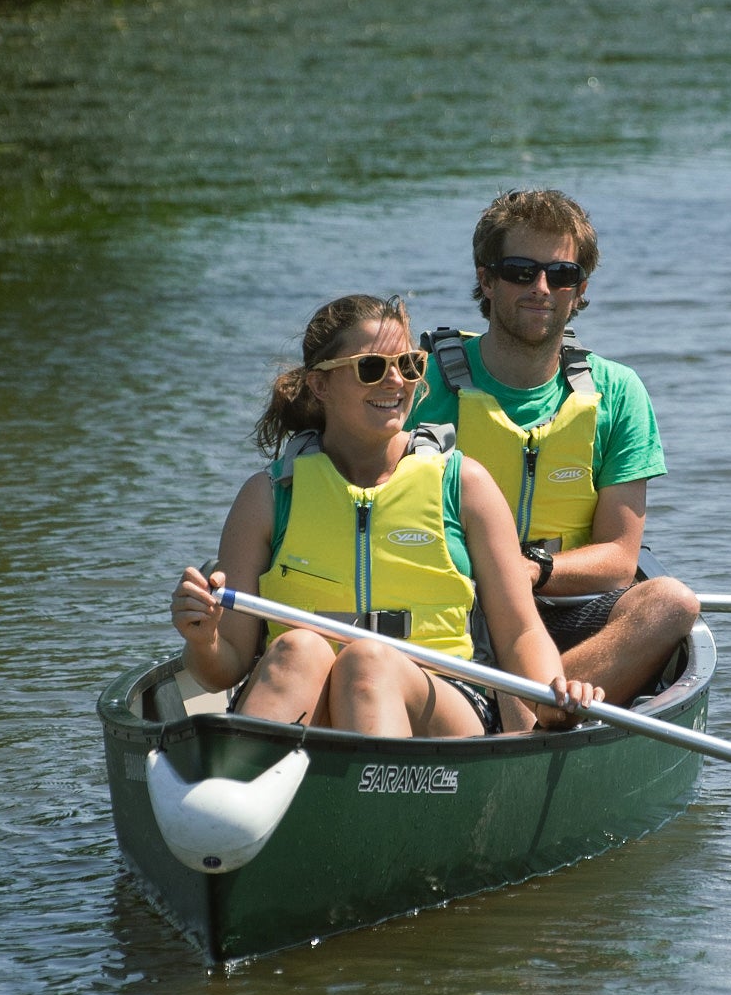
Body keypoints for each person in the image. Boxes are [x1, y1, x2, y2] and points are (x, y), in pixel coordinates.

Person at [168, 293, 603, 738]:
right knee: (298, 647)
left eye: (410, 365)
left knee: (367, 660)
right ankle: (238, 789)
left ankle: (372, 798)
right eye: (372, 367)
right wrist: (203, 638)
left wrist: (553, 695)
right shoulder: (267, 496)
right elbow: (223, 670)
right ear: (320, 385)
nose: (396, 382)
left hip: (444, 701)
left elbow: (519, 634)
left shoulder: (466, 484)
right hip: (306, 700)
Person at [412, 188, 698, 713]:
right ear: (487, 279)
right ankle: (524, 704)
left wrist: (531, 570)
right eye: (521, 271)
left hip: (566, 615)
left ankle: (522, 703)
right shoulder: (417, 384)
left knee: (671, 603)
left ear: (579, 288)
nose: (541, 288)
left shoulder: (619, 391)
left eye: (561, 274)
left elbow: (618, 558)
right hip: (452, 611)